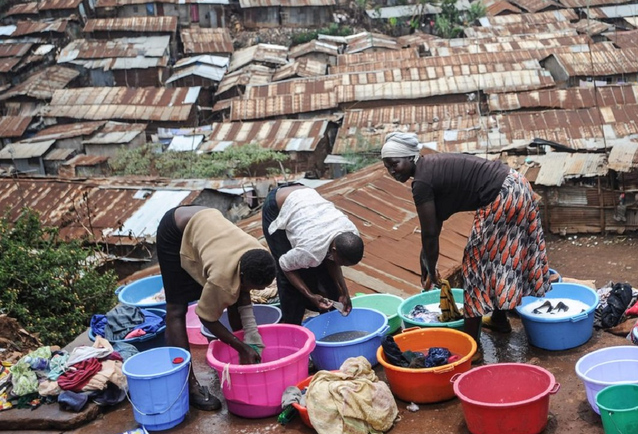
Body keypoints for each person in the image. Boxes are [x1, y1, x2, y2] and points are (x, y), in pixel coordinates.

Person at [380, 132, 551, 356]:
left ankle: (471, 348)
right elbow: (433, 226)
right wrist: (426, 261)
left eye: (395, 164)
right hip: (517, 185)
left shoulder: (421, 181)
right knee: (499, 261)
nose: (392, 171)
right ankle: (499, 319)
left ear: (410, 157)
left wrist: (431, 269)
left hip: (501, 195)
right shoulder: (429, 168)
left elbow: (430, 234)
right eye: (388, 167)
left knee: (475, 267)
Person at [157, 206, 277, 411]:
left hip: (206, 223)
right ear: (242, 275)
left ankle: (244, 360)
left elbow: (242, 293)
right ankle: (188, 384)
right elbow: (206, 317)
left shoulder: (259, 255)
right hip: (175, 229)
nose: (251, 291)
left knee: (236, 293)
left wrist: (251, 340)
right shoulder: (222, 279)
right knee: (177, 309)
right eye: (251, 286)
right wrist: (241, 346)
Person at [262, 184, 364, 325]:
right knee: (288, 280)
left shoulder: (351, 233)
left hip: (305, 197)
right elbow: (284, 265)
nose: (340, 265)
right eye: (341, 262)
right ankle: (293, 326)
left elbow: (332, 261)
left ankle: (332, 315)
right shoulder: (311, 250)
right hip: (278, 203)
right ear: (334, 251)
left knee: (322, 271)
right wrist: (309, 295)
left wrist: (344, 292)